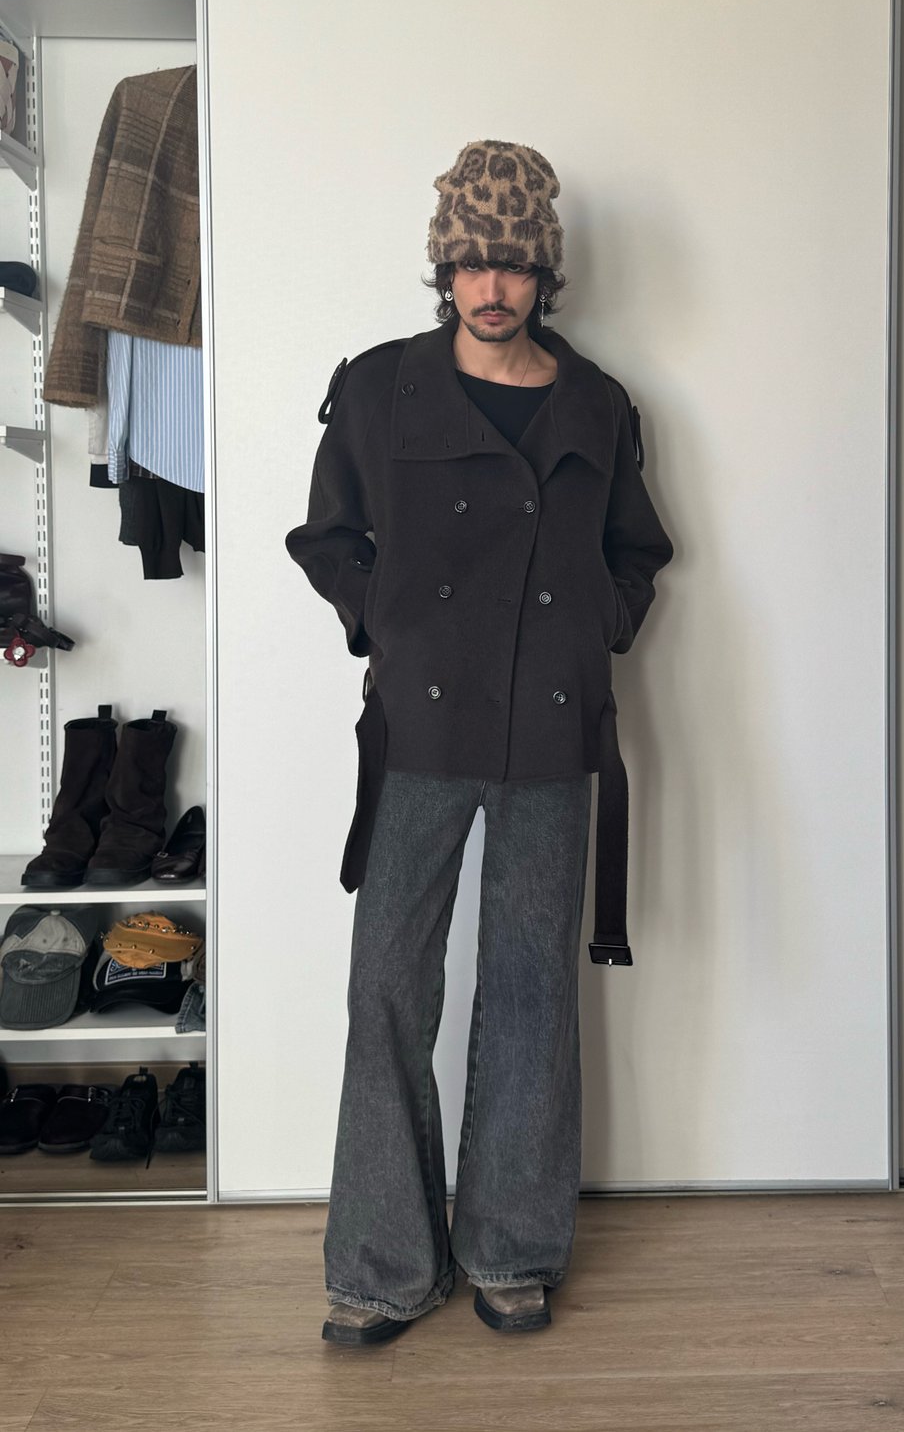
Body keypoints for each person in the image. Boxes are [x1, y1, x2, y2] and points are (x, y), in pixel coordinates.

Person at [286, 139, 674, 1347]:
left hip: (551, 730)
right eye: (468, 262)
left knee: (528, 989)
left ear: (544, 272)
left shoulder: (597, 402)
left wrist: (592, 630)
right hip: (420, 728)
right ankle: (381, 1267)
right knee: (387, 988)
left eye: (510, 263)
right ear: (442, 268)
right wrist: (388, 622)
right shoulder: (380, 388)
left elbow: (637, 552)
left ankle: (511, 1249)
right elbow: (327, 536)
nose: (489, 285)